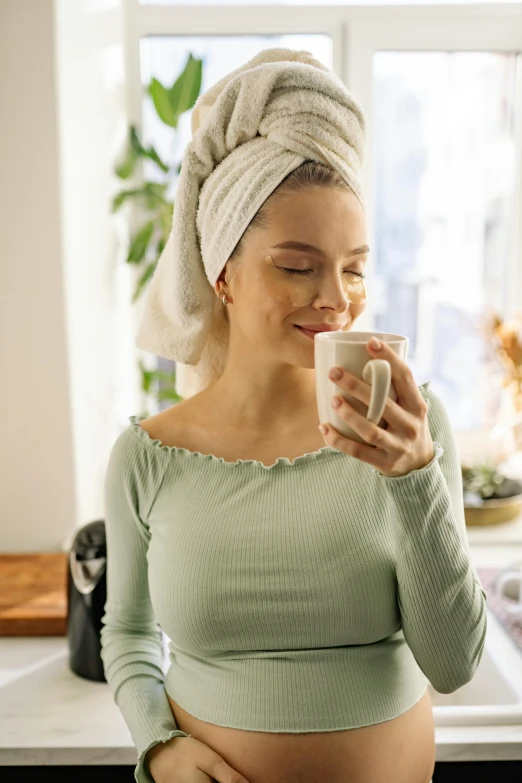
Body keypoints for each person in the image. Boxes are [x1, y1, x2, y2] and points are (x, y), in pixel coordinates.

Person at [100, 49, 487, 783]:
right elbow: (127, 632)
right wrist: (158, 742)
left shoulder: (409, 423)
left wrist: (414, 478)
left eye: (353, 266)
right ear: (224, 274)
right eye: (297, 265)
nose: (336, 298)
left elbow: (456, 662)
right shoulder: (148, 456)